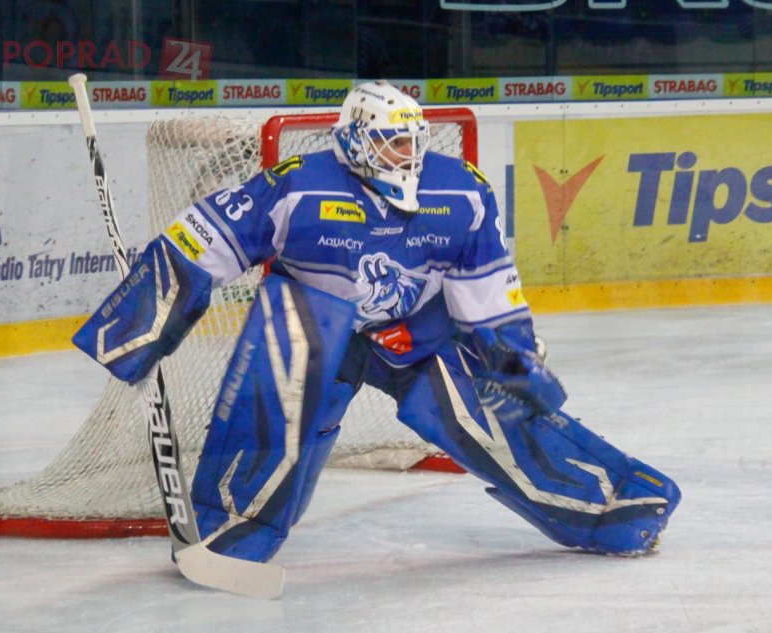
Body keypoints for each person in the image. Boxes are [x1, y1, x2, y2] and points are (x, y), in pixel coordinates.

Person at [73, 81, 681, 565]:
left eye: (413, 140)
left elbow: (489, 290)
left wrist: (513, 362)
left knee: (495, 414)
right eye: (392, 142)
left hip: (419, 335)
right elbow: (200, 238)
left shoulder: (459, 193)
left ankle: (617, 507)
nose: (408, 154)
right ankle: (225, 533)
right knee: (270, 419)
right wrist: (139, 327)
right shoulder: (299, 187)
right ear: (357, 140)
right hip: (315, 333)